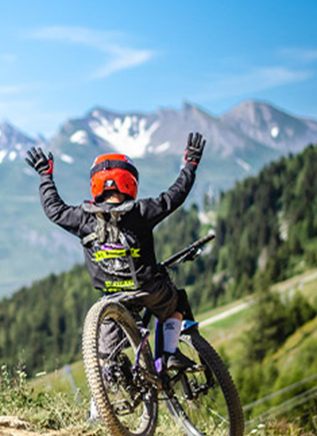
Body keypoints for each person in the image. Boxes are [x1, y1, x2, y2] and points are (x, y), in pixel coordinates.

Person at [25, 132, 206, 377]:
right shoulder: (141, 212)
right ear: (130, 182)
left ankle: (108, 389)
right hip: (148, 289)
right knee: (175, 303)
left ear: (96, 185)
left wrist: (45, 176)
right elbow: (175, 196)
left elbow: (54, 209)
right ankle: (170, 353)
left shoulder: (83, 218)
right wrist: (190, 164)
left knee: (105, 358)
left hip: (111, 298)